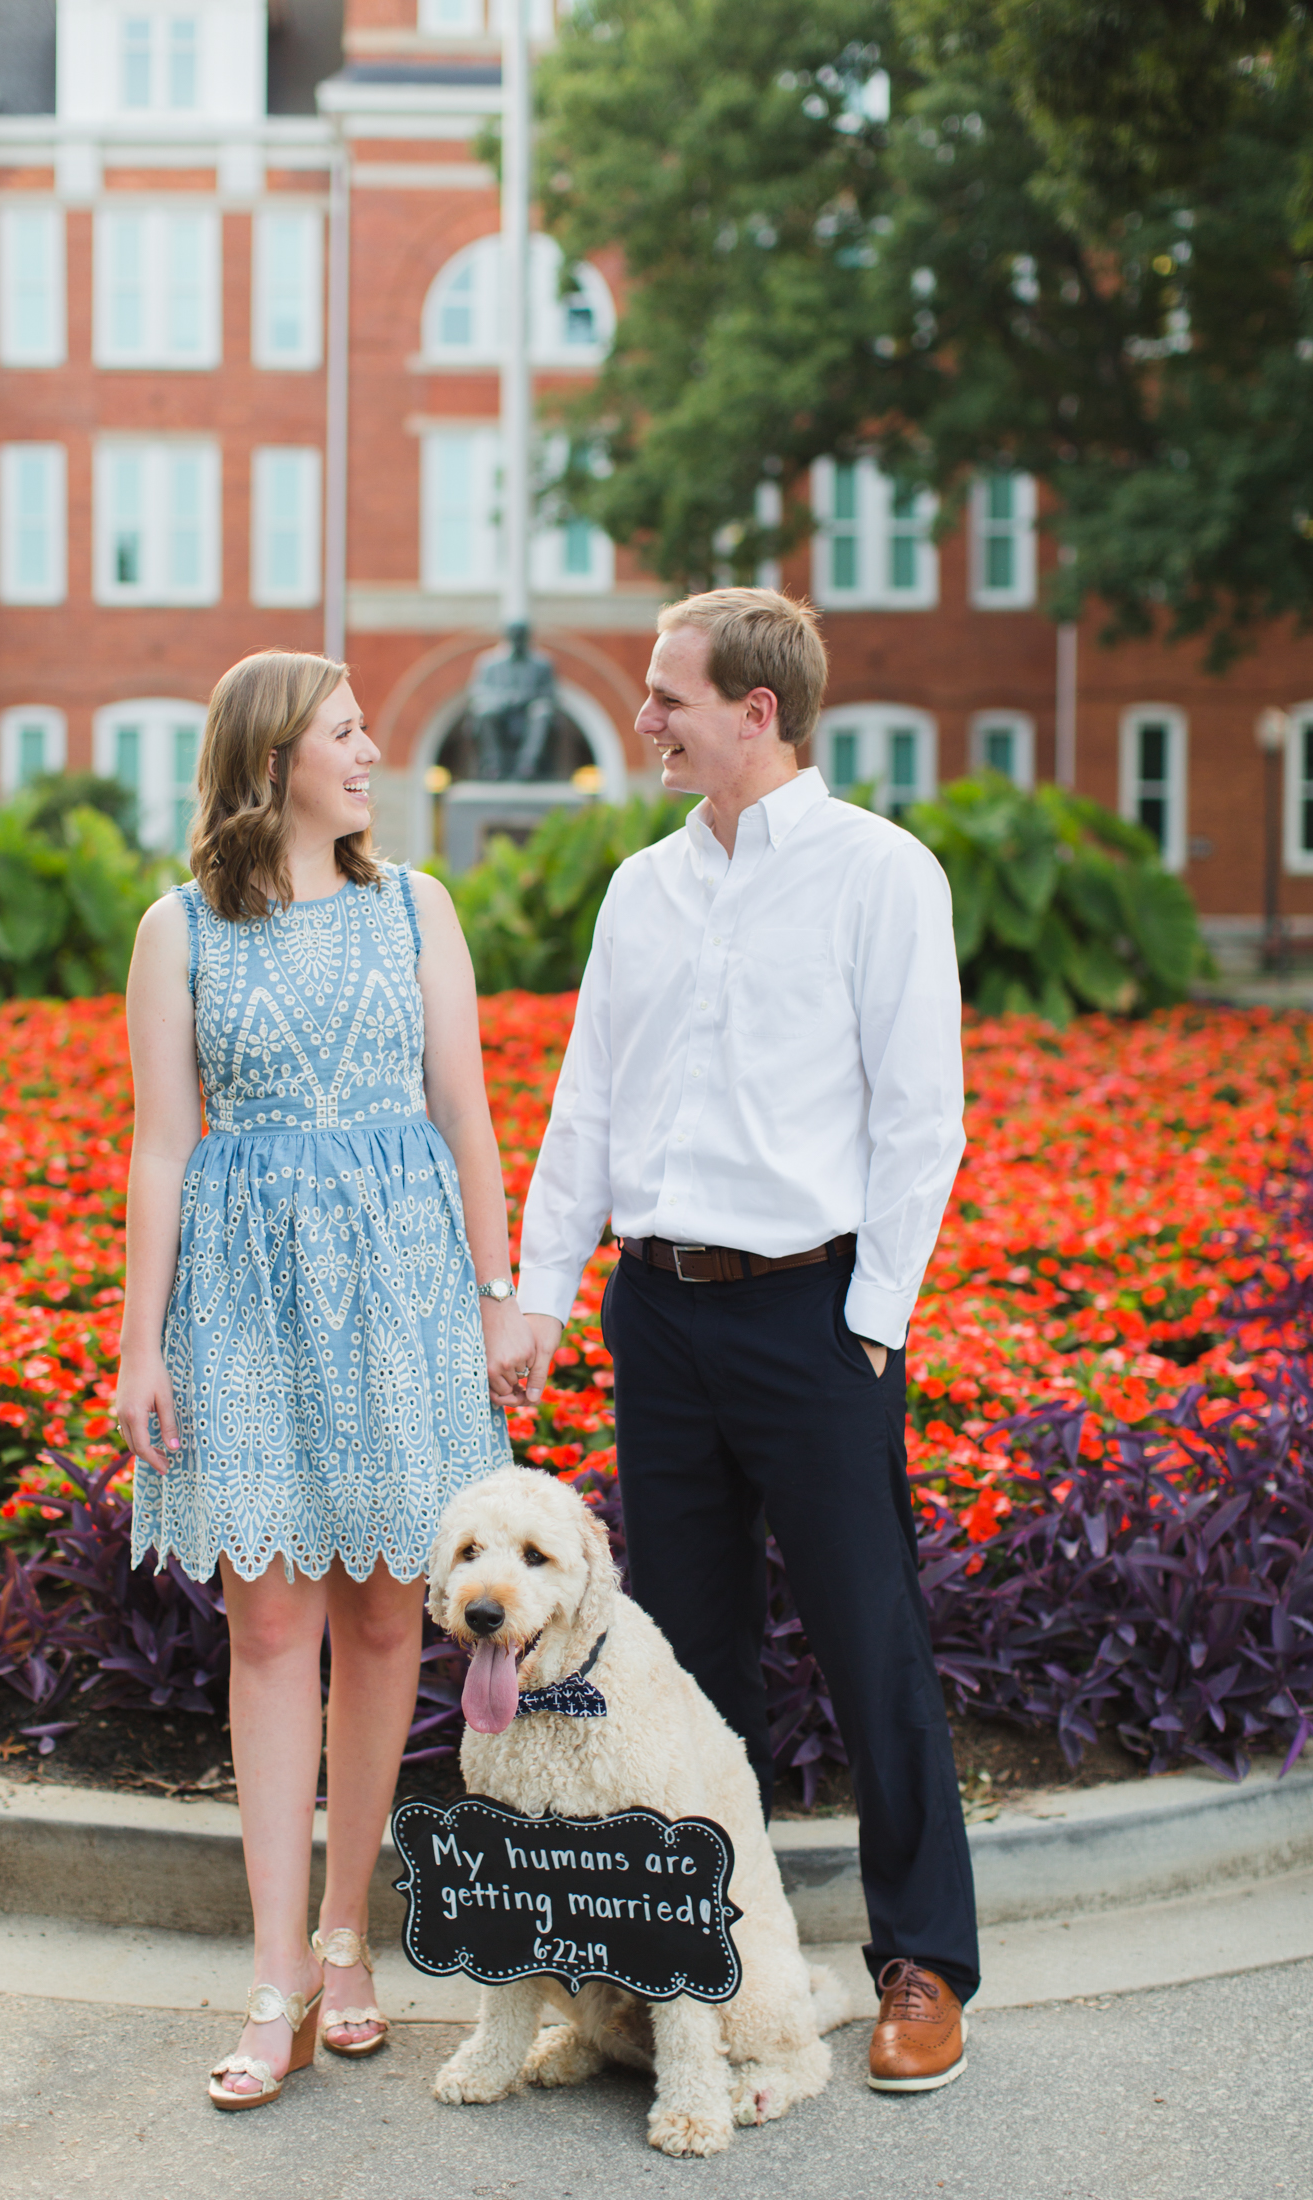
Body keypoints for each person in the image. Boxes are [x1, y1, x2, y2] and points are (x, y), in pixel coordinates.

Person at [515, 587, 979, 2093]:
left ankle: (920, 1963)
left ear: (756, 713)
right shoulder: (642, 889)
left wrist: (870, 1324)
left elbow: (923, 1117)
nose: (642, 717)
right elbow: (587, 1104)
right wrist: (541, 1294)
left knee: (868, 1641)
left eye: (667, 697)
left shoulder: (877, 875)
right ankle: (703, 1965)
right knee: (688, 1666)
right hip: (660, 1313)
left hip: (813, 1316)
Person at [114, 650, 532, 2110]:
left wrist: (497, 1302)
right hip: (249, 1297)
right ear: (274, 755)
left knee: (378, 1613)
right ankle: (277, 1972)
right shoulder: (178, 931)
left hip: (410, 1294)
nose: (371, 752)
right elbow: (163, 1145)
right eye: (347, 732)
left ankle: (350, 1940)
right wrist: (137, 1338)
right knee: (273, 1615)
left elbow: (467, 1116)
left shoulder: (418, 906)